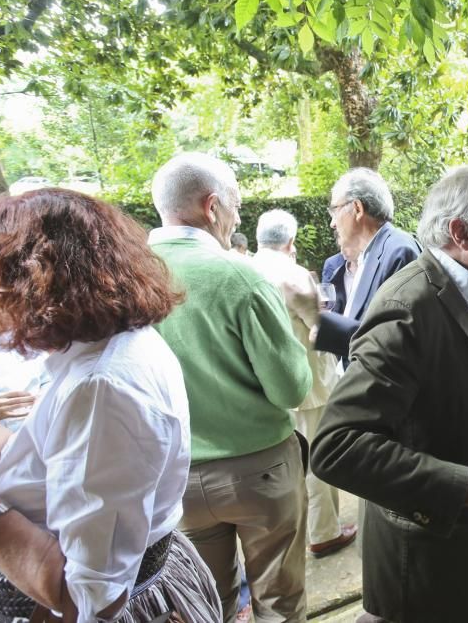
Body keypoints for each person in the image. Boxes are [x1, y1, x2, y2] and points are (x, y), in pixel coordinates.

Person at [311, 165, 468, 623]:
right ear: (460, 232)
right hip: (430, 574)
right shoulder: (408, 308)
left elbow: (452, 386)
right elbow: (338, 447)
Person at [0, 188, 222, 622]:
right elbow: (35, 464)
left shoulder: (101, 388)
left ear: (33, 281)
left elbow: (91, 600)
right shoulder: (99, 349)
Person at [148, 153, 313, 623]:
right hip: (258, 470)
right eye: (237, 204)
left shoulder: (128, 277)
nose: (239, 217)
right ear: (212, 205)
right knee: (278, 602)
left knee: (205, 603)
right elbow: (290, 389)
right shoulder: (239, 276)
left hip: (175, 475)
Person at [252, 209, 357, 558]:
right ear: (291, 242)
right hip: (309, 385)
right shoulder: (294, 275)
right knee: (318, 461)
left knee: (284, 466)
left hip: (267, 387)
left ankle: (290, 534)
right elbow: (319, 329)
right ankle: (324, 532)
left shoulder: (245, 271)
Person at [313, 168, 420, 363]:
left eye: (334, 211)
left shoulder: (398, 252)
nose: (332, 224)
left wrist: (321, 324)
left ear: (357, 208)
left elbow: (393, 344)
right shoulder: (373, 253)